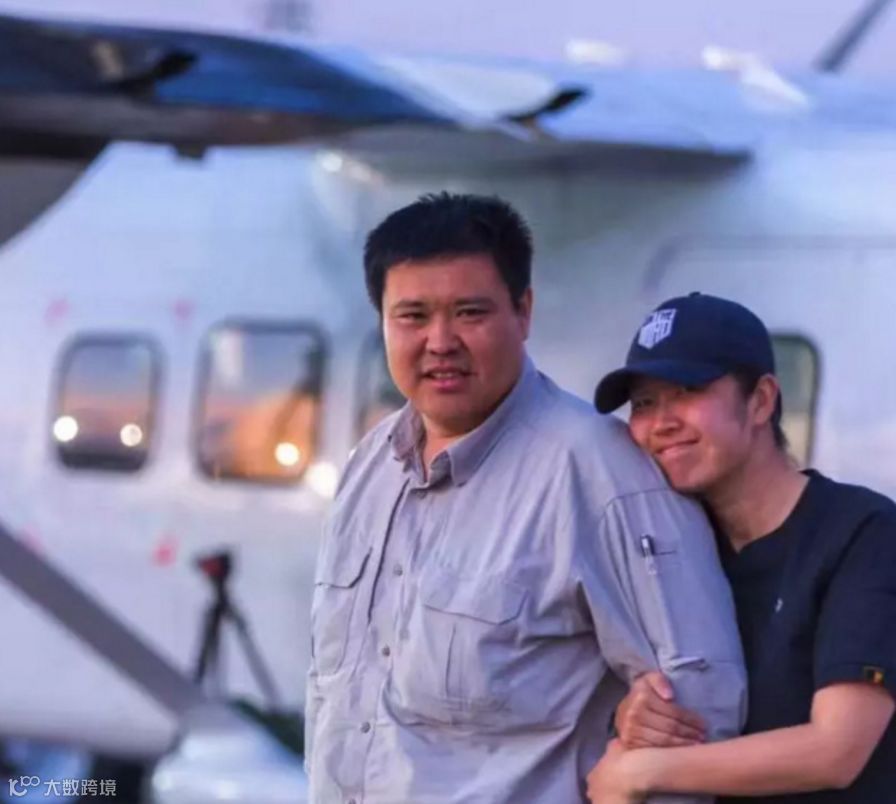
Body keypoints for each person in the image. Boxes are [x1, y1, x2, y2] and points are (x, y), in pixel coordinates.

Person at [304, 194, 747, 803]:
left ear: (524, 311)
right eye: (412, 316)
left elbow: (699, 711)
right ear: (382, 321)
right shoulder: (369, 467)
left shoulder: (600, 474)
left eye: (469, 312)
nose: (440, 341)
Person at [587, 292, 896, 803]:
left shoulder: (863, 533)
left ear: (761, 400)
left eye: (687, 391)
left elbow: (837, 749)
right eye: (643, 403)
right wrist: (631, 714)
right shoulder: (670, 549)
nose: (661, 422)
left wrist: (643, 771)